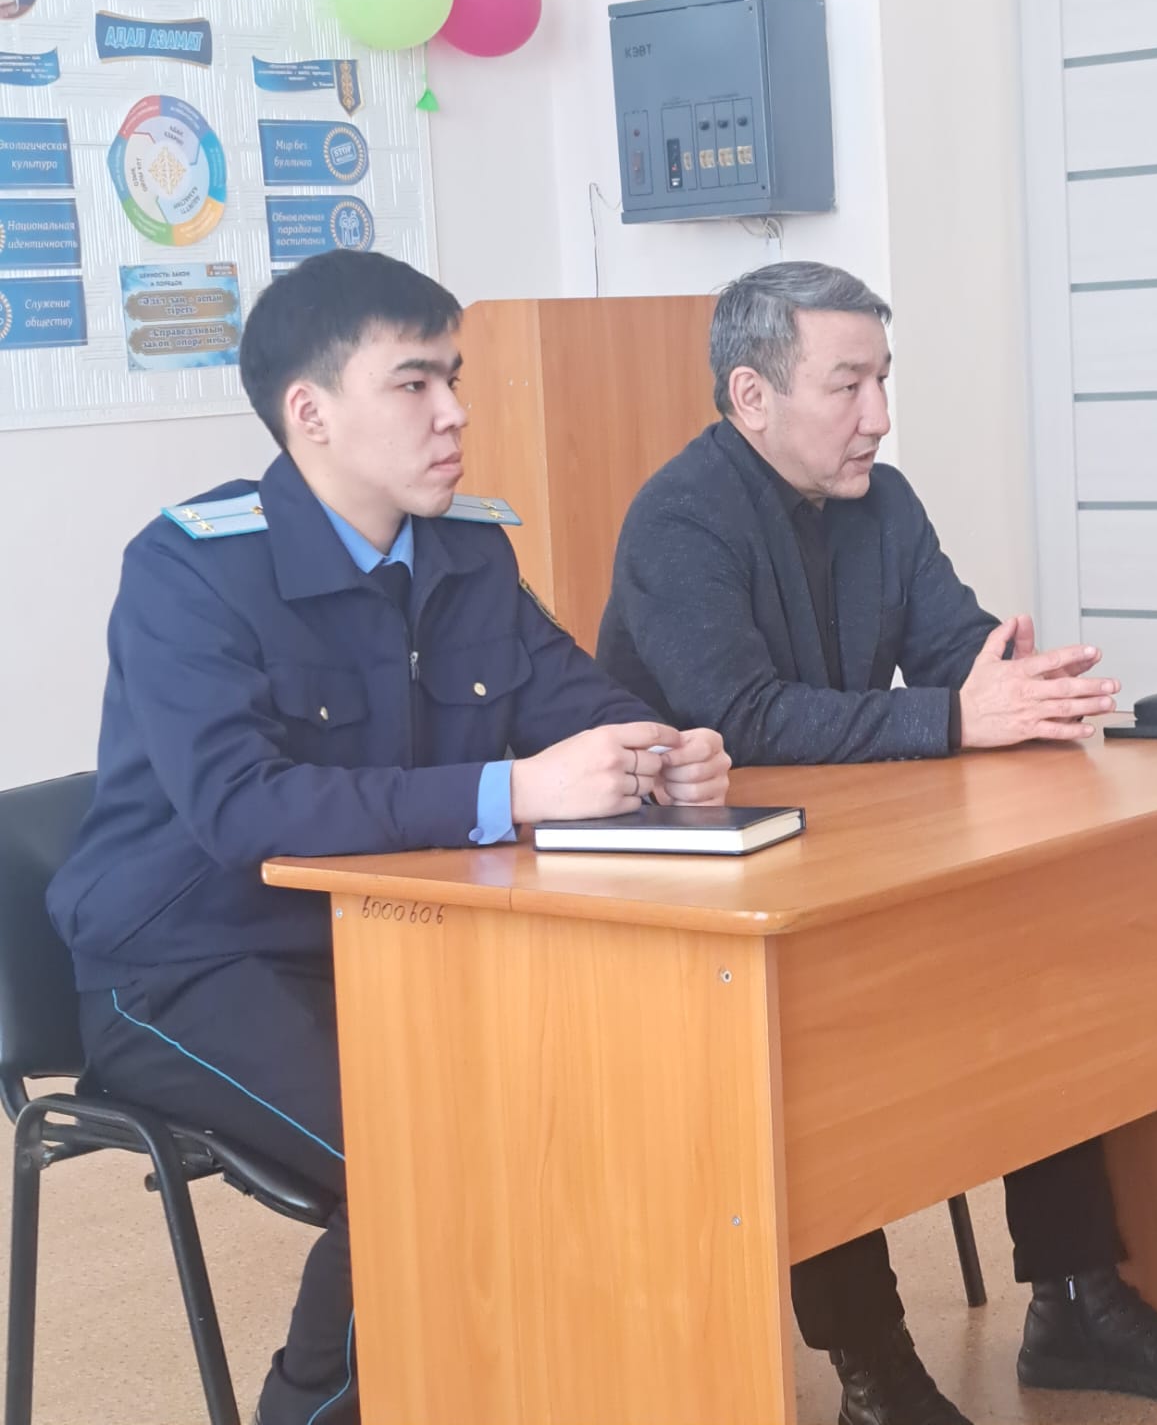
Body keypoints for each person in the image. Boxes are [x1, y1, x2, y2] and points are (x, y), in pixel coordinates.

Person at [48, 249, 731, 1425]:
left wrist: (664, 752)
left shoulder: (466, 549)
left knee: (608, 1107)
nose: (455, 412)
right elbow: (243, 810)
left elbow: (583, 707)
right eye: (415, 383)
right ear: (310, 413)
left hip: (393, 940)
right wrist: (515, 790)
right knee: (429, 1163)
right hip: (188, 965)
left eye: (453, 377)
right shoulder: (189, 570)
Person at [597, 261, 1157, 1425]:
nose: (879, 416)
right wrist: (955, 716)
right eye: (848, 385)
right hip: (703, 903)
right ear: (752, 397)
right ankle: (874, 1370)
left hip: (848, 853)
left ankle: (1075, 1300)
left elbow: (956, 650)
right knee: (817, 1039)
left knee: (1037, 949)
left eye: (884, 381)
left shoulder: (883, 503)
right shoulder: (677, 519)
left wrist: (1020, 685)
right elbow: (741, 719)